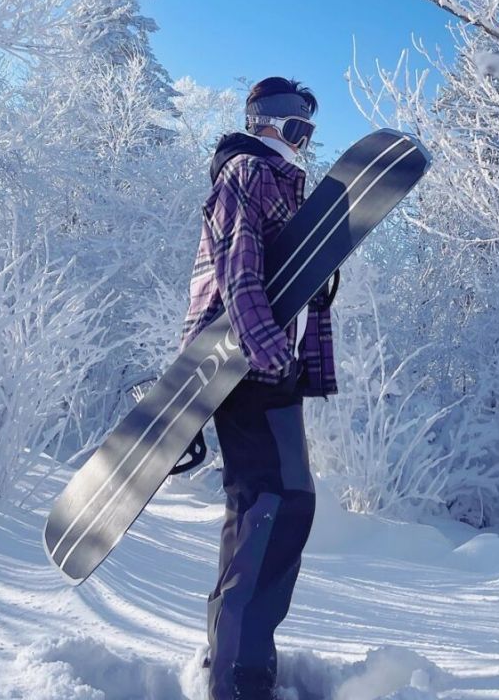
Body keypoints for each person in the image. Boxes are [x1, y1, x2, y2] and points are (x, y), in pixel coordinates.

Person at [180, 76, 339, 700]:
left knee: (282, 505)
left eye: (310, 122)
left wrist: (305, 361)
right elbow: (238, 270)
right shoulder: (246, 172)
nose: (306, 133)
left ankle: (241, 662)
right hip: (239, 364)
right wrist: (268, 352)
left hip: (270, 368)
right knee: (269, 506)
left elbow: (294, 283)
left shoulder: (286, 185)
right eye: (298, 120)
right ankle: (237, 680)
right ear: (266, 120)